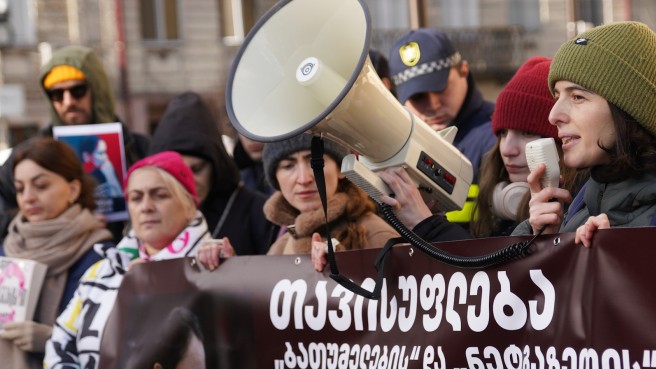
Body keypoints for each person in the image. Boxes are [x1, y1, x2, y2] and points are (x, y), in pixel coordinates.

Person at [512, 22, 656, 247]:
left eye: (577, 97)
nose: (553, 115)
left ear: (631, 110)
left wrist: (623, 258)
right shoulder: (575, 210)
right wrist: (544, 242)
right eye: (557, 96)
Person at [43, 151, 211, 369]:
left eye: (159, 195)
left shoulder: (215, 267)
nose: (145, 206)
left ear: (188, 202)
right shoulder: (101, 272)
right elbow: (62, 339)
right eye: (135, 197)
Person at [378, 56, 588, 242]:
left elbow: (497, 272)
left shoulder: (586, 214)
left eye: (527, 134)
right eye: (503, 133)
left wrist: (427, 225)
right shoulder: (499, 211)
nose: (507, 150)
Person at [0, 139, 111, 369]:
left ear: (73, 190)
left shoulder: (100, 256)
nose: (28, 197)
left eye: (41, 185)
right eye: (20, 188)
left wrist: (50, 340)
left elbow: (109, 342)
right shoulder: (8, 247)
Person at [0, 45, 150, 242]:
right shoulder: (29, 156)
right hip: (57, 256)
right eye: (57, 94)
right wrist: (40, 220)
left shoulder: (138, 148)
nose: (68, 101)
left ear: (98, 90)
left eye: (77, 90)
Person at [198, 133, 399, 272]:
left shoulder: (377, 235)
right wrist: (228, 270)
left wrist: (344, 266)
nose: (303, 178)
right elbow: (263, 312)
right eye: (288, 166)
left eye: (315, 162)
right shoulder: (280, 247)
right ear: (276, 180)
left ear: (340, 169)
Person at [388, 28, 497, 225]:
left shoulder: (498, 135)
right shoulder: (395, 145)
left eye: (440, 88)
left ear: (464, 70)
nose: (433, 105)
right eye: (418, 97)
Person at [147, 92, 274, 256]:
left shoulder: (259, 212)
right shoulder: (150, 216)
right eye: (177, 172)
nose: (188, 181)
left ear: (215, 166)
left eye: (197, 169)